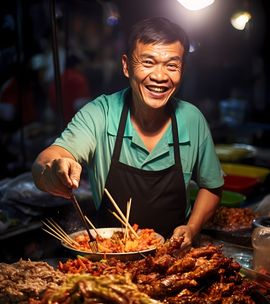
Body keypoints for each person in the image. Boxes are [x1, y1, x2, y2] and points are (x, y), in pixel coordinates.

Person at [31, 17, 224, 249]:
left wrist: (192, 228)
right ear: (126, 66)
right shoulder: (100, 113)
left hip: (173, 257)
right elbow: (46, 160)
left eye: (172, 65)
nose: (160, 76)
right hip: (108, 260)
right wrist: (53, 170)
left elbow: (212, 186)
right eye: (148, 62)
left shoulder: (192, 119)